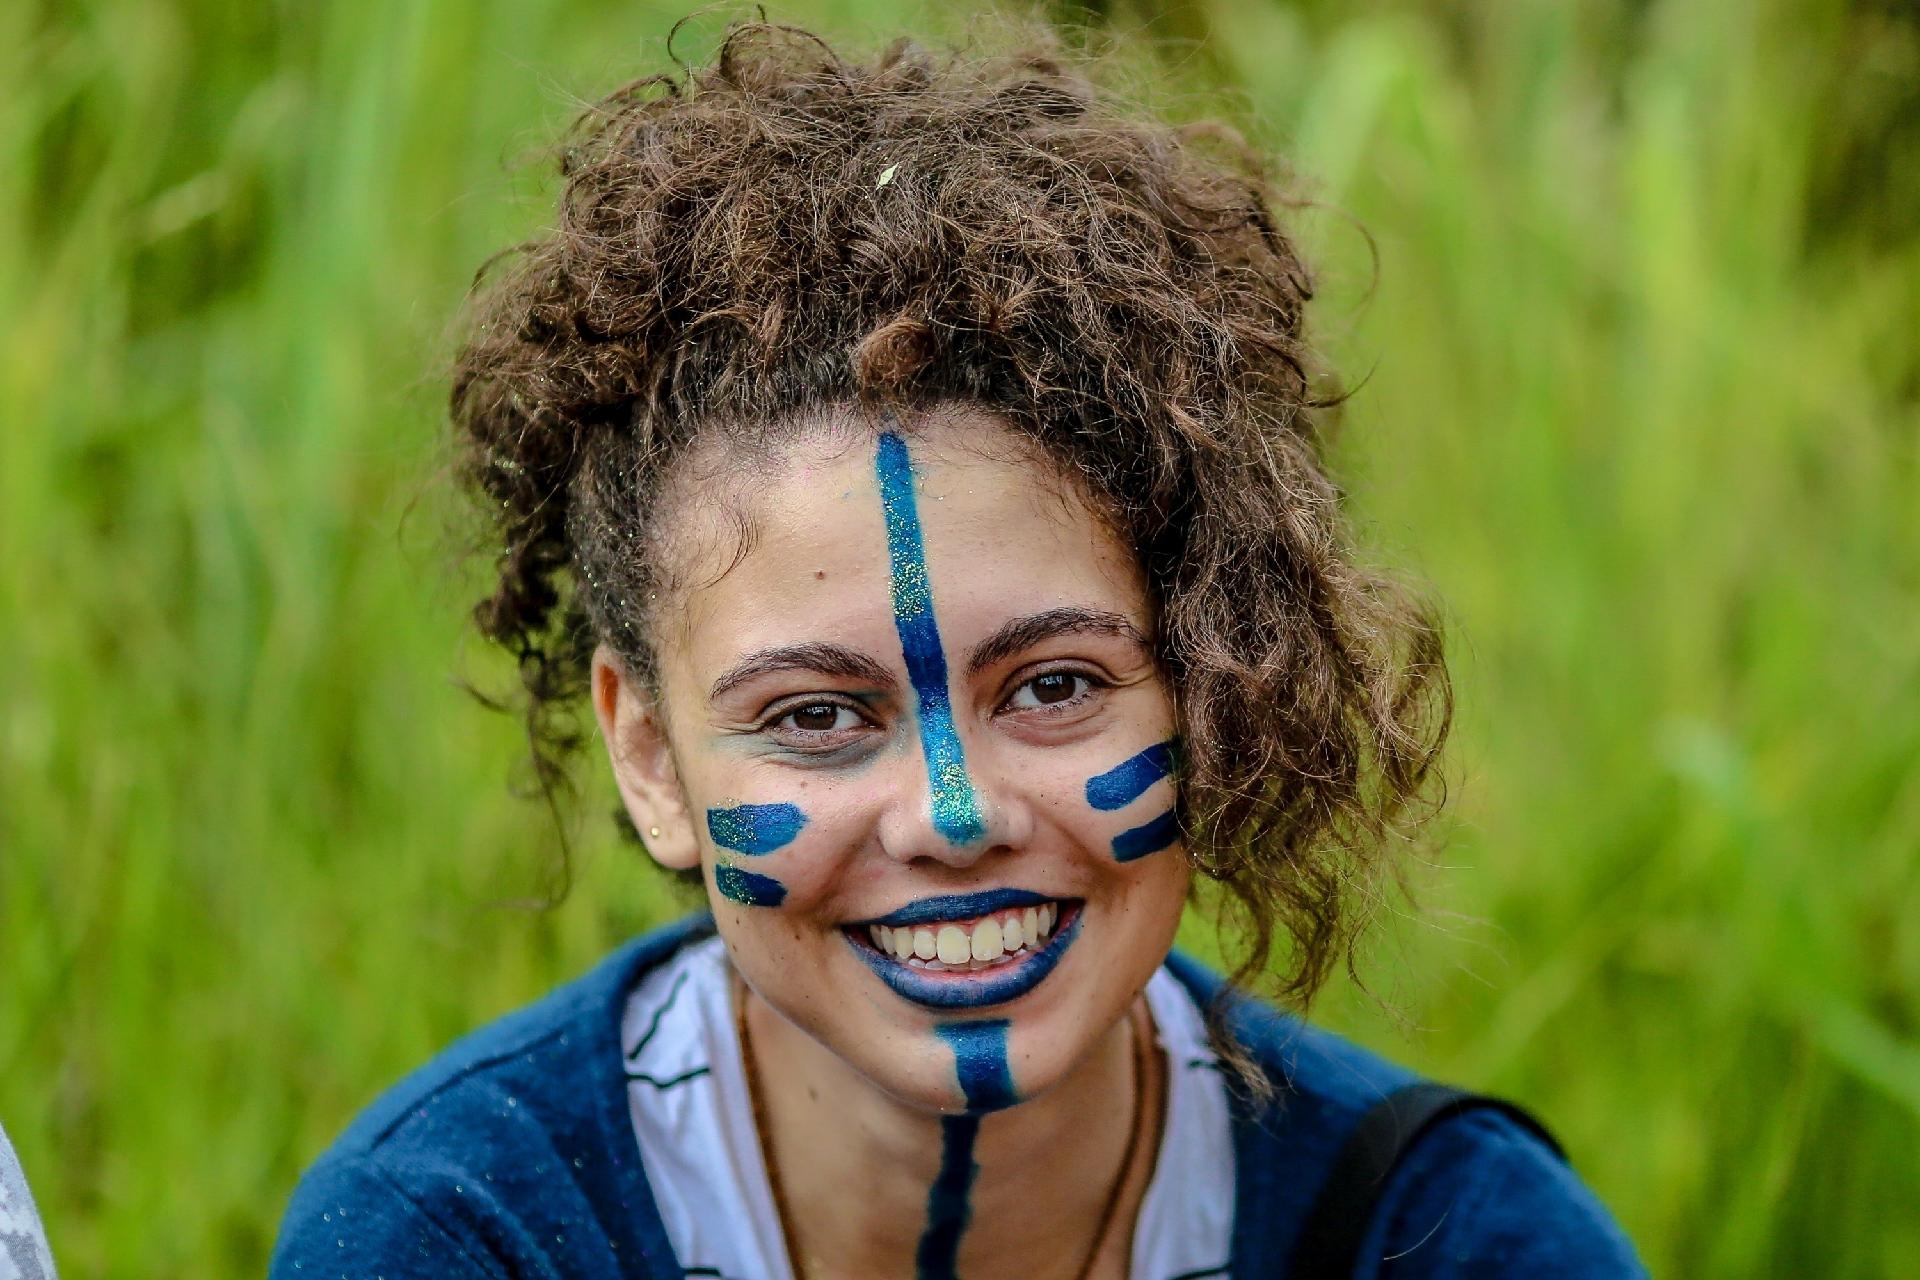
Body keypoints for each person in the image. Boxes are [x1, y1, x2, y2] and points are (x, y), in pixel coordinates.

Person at [270, 21, 1645, 1278]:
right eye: (814, 716)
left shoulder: (1457, 1245)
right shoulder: (456, 1236)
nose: (953, 815)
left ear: (1217, 680)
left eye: (1054, 686)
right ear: (652, 757)